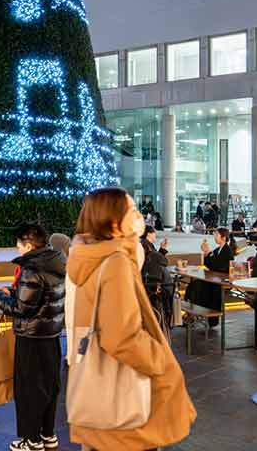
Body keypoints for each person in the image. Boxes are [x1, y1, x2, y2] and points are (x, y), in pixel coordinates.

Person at [65, 187, 195, 451]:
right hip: (124, 393)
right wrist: (163, 363)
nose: (140, 217)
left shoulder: (88, 256)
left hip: (97, 390)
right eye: (133, 211)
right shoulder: (115, 262)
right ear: (114, 221)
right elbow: (121, 336)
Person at [0, 221, 66, 451]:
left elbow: (22, 309)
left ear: (28, 244)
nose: (17, 248)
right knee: (50, 386)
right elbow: (42, 295)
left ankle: (31, 440)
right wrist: (13, 291)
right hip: (51, 334)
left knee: (29, 389)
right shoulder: (56, 261)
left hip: (31, 336)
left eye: (18, 243)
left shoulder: (31, 267)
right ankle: (48, 434)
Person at [187, 227, 235, 328]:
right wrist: (206, 253)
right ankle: (194, 312)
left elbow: (219, 267)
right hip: (214, 279)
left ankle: (200, 314)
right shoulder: (218, 249)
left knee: (197, 286)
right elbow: (209, 264)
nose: (214, 237)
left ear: (223, 237)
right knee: (193, 285)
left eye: (216, 235)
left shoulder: (227, 251)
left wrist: (208, 253)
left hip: (221, 282)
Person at [140, 227, 172, 328]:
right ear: (149, 234)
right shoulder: (146, 246)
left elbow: (156, 261)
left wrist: (162, 249)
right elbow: (163, 262)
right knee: (170, 288)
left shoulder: (145, 245)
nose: (155, 235)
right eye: (154, 233)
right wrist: (162, 251)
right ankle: (168, 318)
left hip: (148, 280)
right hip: (151, 283)